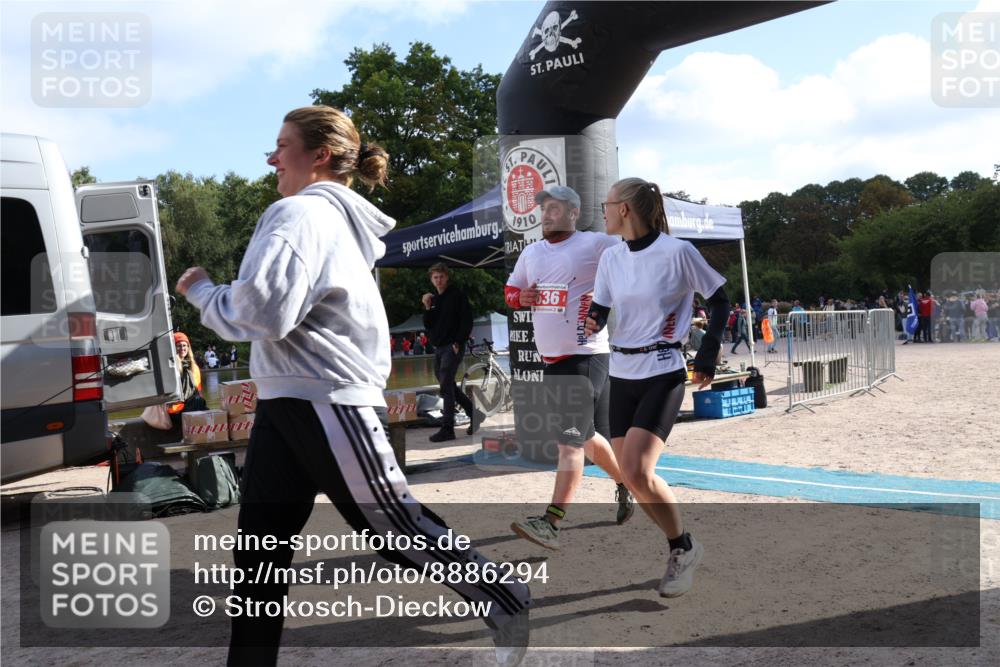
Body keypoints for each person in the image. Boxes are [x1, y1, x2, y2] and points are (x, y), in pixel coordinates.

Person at [175, 105, 530, 667]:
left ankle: (505, 595)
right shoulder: (329, 222)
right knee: (259, 553)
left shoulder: (299, 216)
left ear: (318, 156)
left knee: (394, 526)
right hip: (287, 398)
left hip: (324, 397)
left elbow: (263, 314)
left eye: (281, 144)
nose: (271, 158)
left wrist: (201, 292)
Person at [584, 177, 730, 598]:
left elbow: (719, 300)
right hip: (622, 371)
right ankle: (685, 545)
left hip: (663, 369)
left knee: (637, 471)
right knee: (632, 478)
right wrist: (593, 317)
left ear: (625, 209)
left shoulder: (677, 252)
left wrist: (707, 356)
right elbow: (603, 303)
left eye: (607, 204)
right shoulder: (612, 257)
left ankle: (681, 549)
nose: (604, 211)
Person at [504, 185, 634, 550]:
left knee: (569, 442)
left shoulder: (595, 244)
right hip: (552, 361)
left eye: (555, 209)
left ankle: (551, 521)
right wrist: (521, 297)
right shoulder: (531, 252)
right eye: (543, 209)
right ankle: (626, 483)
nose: (546, 215)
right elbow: (512, 291)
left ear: (574, 213)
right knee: (586, 436)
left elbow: (634, 259)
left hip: (586, 355)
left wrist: (607, 293)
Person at [422, 263, 483, 442]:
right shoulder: (433, 300)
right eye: (435, 277)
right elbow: (428, 324)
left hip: (452, 346)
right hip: (439, 347)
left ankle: (448, 428)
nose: (439, 280)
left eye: (441, 276)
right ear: (431, 280)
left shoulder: (457, 295)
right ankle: (474, 414)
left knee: (446, 387)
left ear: (447, 277)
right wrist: (427, 306)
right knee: (446, 384)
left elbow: (466, 320)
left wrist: (458, 341)